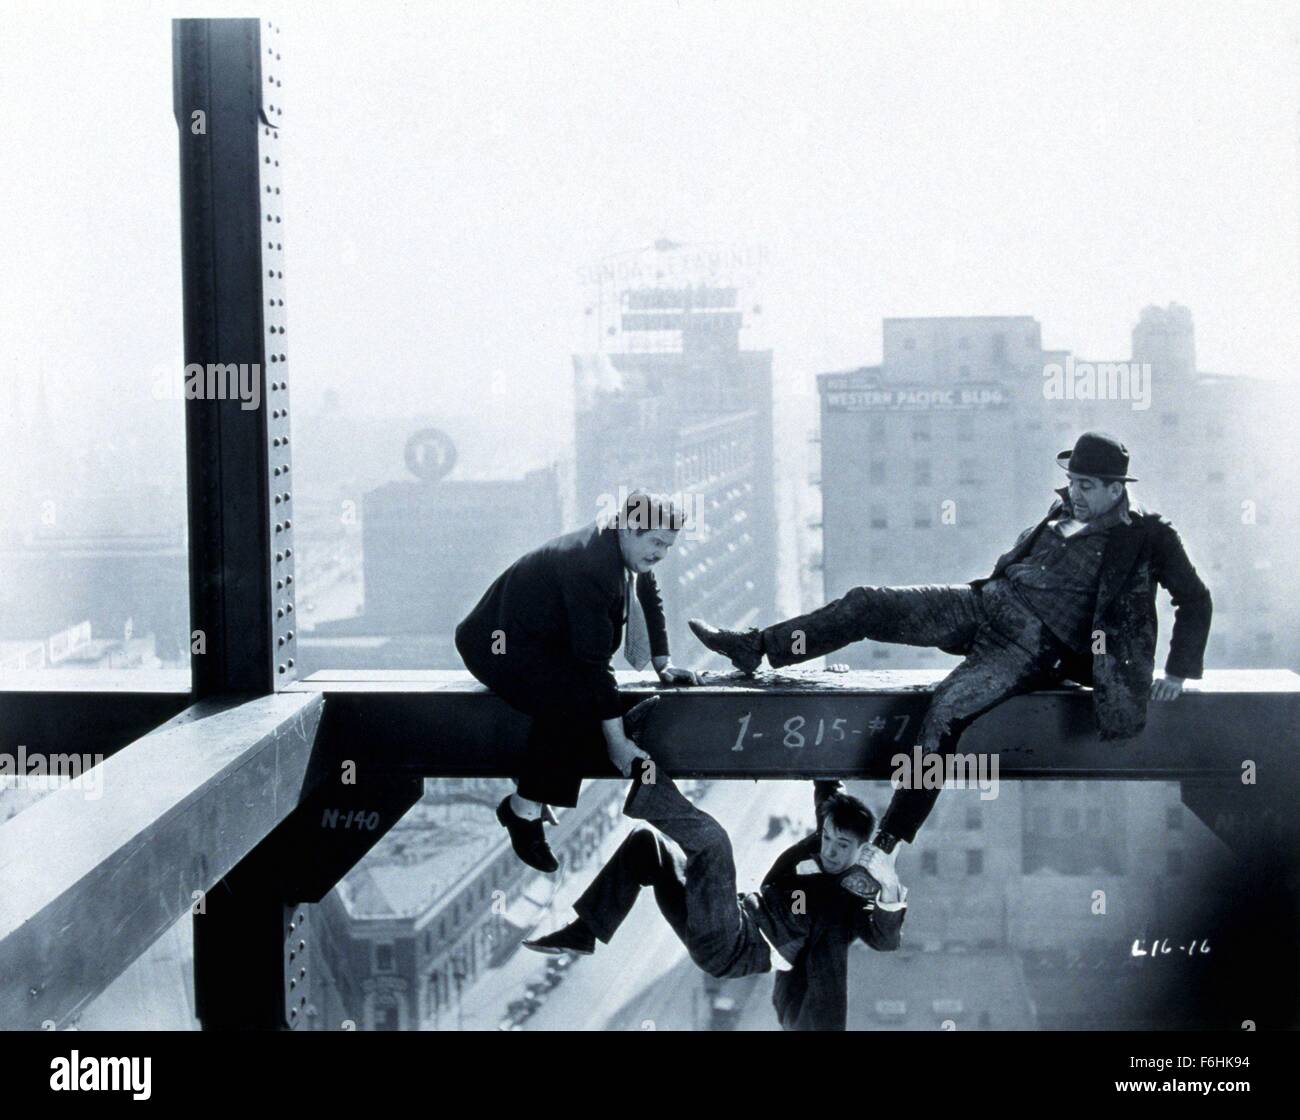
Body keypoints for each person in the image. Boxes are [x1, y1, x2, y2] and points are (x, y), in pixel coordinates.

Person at [690, 431, 1212, 853]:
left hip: (1028, 647)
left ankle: (886, 844)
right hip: (983, 604)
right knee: (868, 601)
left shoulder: (1148, 536)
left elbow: (1195, 598)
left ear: (1117, 488)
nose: (1077, 492)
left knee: (942, 714)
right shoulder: (1063, 512)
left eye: (1089, 485)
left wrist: (1178, 671)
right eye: (1073, 480)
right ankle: (756, 647)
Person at [524, 773, 906, 1031]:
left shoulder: (850, 898)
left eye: (843, 847)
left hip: (738, 943)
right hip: (723, 921)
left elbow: (883, 938)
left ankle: (645, 776)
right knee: (647, 846)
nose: (831, 852)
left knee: (713, 843)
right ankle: (586, 931)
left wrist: (888, 884)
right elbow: (827, 790)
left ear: (860, 851)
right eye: (827, 839)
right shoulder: (821, 841)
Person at [456, 491, 699, 872]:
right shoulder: (592, 566)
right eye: (655, 543)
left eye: (667, 546)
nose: (660, 555)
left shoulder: (617, 542)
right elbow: (593, 666)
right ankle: (522, 810)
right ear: (632, 529)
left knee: (587, 700)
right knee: (580, 702)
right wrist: (618, 744)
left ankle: (533, 793)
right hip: (496, 646)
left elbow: (648, 590)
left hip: (540, 642)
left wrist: (662, 664)